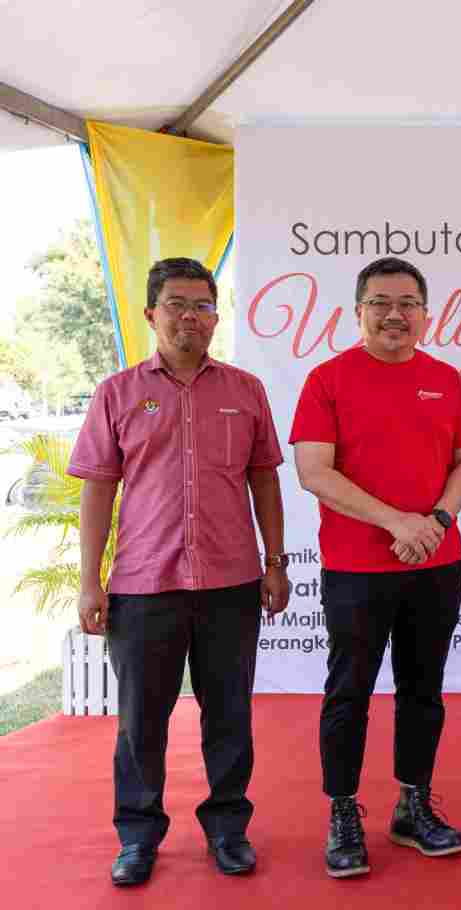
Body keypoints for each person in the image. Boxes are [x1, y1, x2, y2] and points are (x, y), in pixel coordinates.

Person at [69, 257, 289, 886]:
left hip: (230, 584)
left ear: (216, 315)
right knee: (141, 718)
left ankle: (227, 828)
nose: (190, 316)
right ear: (151, 313)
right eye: (177, 304)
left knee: (229, 713)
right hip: (143, 586)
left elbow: (264, 479)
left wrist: (275, 562)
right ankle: (138, 834)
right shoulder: (117, 392)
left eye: (203, 305)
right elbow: (97, 491)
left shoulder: (245, 390)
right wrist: (91, 579)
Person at [290, 256, 461, 878]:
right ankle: (344, 811)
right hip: (356, 568)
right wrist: (398, 523)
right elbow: (314, 471)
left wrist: (437, 524)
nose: (394, 314)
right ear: (358, 311)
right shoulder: (327, 379)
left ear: (425, 314)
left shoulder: (446, 379)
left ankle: (412, 805)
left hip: (436, 562)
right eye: (380, 302)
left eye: (407, 303)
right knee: (349, 692)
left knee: (423, 690)